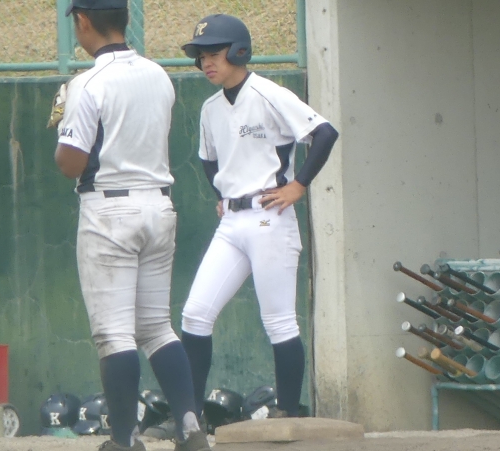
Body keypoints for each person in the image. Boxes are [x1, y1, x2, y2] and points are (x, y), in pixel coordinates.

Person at [53, 1, 210, 450]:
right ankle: (190, 428)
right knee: (157, 327)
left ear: (84, 21)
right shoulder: (158, 74)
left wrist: (62, 122)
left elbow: (70, 163)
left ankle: (124, 441)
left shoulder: (87, 84)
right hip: (158, 206)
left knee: (115, 333)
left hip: (110, 211)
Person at [179, 14, 340, 419]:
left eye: (214, 53)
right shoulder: (210, 108)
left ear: (238, 51)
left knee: (279, 321)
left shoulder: (268, 93)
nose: (206, 62)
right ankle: (189, 417)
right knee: (195, 314)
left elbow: (324, 133)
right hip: (232, 222)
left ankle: (287, 412)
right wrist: (222, 194)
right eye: (201, 56)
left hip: (270, 217)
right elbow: (208, 159)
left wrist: (298, 184)